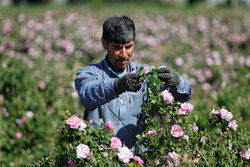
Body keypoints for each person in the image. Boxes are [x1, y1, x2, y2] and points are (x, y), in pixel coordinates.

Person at [75, 15, 191, 152]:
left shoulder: (145, 73)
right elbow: (87, 96)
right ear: (104, 43)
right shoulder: (89, 74)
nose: (124, 54)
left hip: (137, 159)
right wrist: (117, 86)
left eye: (129, 47)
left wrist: (177, 81)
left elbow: (183, 95)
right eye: (117, 48)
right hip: (100, 158)